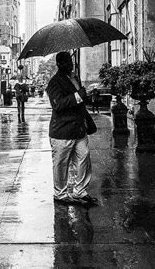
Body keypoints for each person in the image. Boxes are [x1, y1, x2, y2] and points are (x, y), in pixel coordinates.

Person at [46, 52, 98, 206]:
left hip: (78, 128)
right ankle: (60, 194)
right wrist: (77, 96)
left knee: (84, 156)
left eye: (71, 61)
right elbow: (58, 104)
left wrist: (83, 95)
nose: (71, 64)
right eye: (67, 62)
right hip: (62, 131)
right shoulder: (54, 83)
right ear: (60, 64)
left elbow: (80, 100)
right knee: (61, 164)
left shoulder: (74, 78)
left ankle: (80, 191)